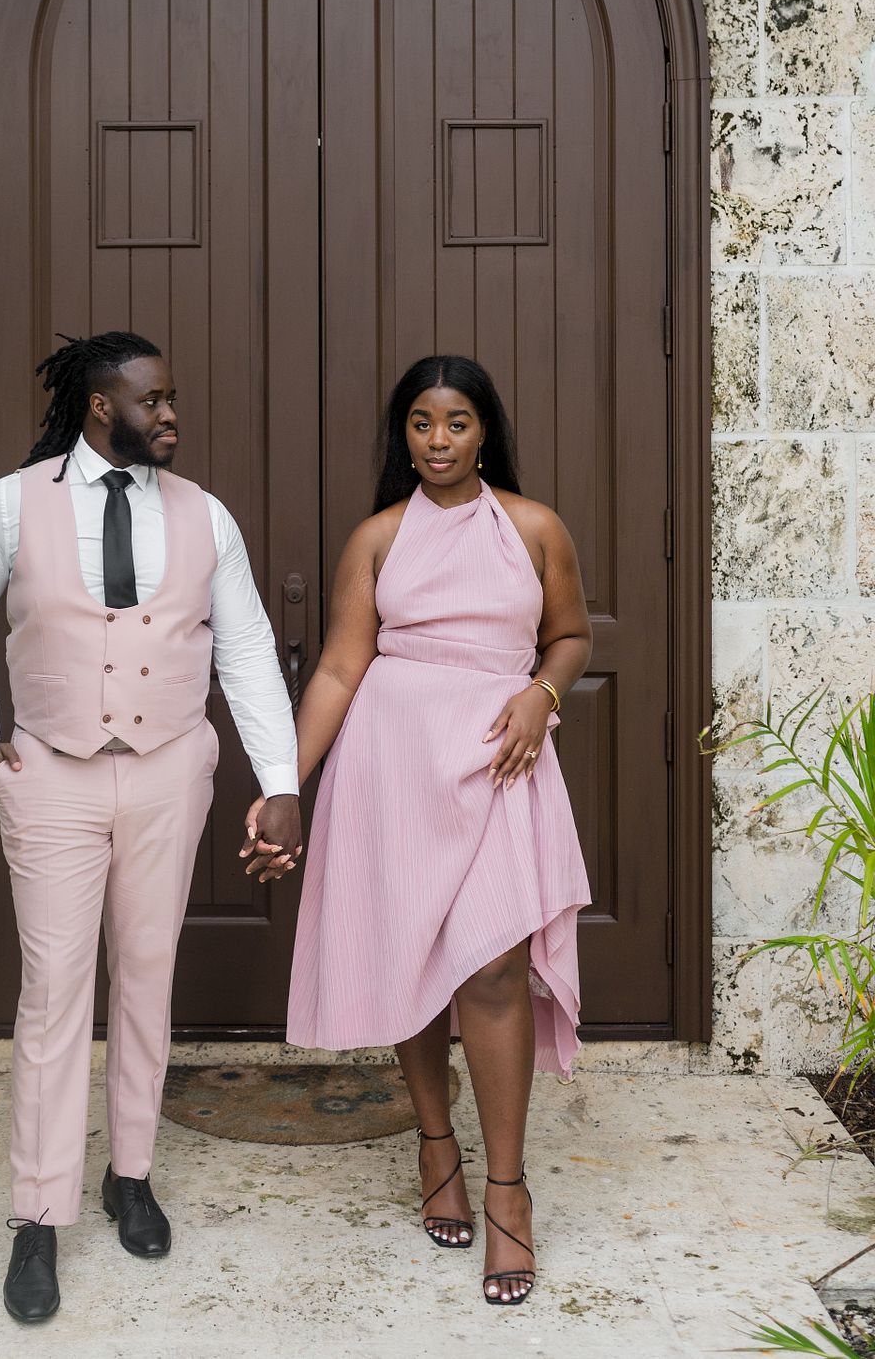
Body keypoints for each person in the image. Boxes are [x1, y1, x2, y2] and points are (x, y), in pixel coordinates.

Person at [0, 331, 300, 1323]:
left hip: (169, 770)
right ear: (102, 407)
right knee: (54, 991)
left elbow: (247, 648)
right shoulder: (10, 505)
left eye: (170, 397)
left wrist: (280, 780)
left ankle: (129, 1174)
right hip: (49, 774)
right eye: (153, 400)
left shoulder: (206, 516)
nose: (171, 414)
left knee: (146, 973)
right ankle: (38, 1213)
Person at [242, 354, 591, 1306]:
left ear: (485, 433)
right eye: (422, 423)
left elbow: (572, 635)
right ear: (403, 435)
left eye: (457, 422)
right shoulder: (379, 538)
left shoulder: (534, 527)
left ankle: (508, 1191)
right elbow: (339, 670)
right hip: (391, 768)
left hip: (498, 763)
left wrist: (542, 692)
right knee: (412, 961)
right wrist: (282, 786)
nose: (439, 440)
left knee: (493, 968)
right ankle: (437, 1146)